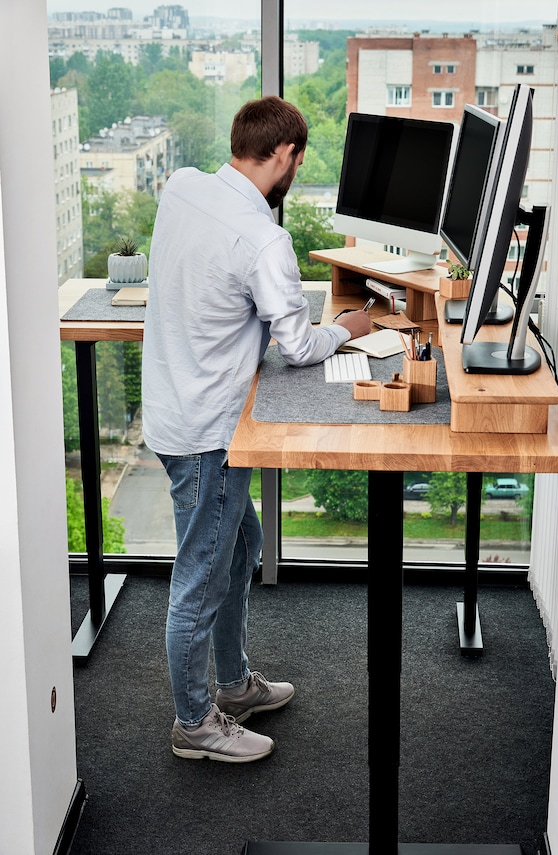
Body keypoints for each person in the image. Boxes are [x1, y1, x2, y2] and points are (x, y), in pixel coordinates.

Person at [141, 95, 371, 763]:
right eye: (297, 158)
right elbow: (297, 344)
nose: (297, 167)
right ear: (284, 156)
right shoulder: (264, 241)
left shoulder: (184, 185)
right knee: (202, 576)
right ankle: (195, 723)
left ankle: (235, 684)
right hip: (209, 430)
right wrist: (348, 329)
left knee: (243, 541)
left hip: (171, 407)